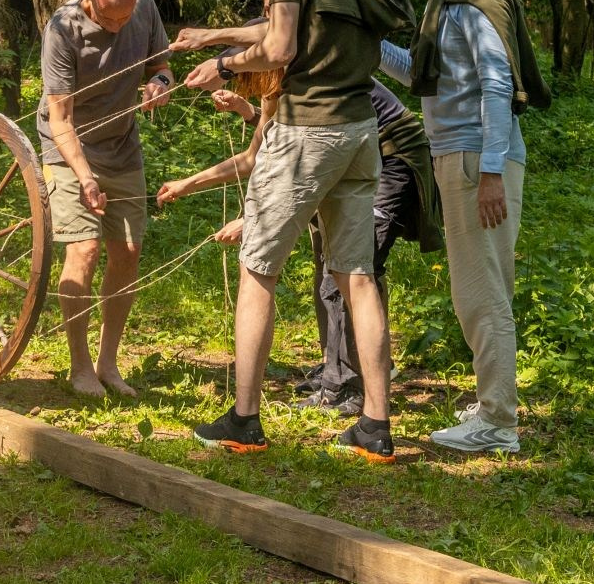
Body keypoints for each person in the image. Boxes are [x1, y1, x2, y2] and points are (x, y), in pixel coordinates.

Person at [175, 0, 412, 462]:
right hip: (361, 129)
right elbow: (307, 30)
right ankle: (375, 426)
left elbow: (280, 46)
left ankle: (244, 420)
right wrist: (217, 35)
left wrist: (222, 66)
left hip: (305, 129)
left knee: (258, 269)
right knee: (357, 276)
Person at [160, 75, 439, 416]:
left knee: (348, 275)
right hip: (348, 159)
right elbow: (254, 159)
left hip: (391, 159)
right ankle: (335, 370)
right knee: (328, 269)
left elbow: (311, 167)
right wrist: (186, 184)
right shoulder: (275, 89)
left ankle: (349, 387)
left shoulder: (304, 83)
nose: (240, 85)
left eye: (242, 73)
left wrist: (253, 221)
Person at [379, 0, 548, 455]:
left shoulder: (474, 0)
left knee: (482, 293)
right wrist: (367, 42)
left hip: (478, 159)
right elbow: (421, 77)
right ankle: (492, 403)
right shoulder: (448, 2)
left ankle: (499, 422)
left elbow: (498, 86)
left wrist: (493, 172)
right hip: (462, 155)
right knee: (477, 287)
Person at [35, 0, 173, 399]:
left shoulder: (144, 8)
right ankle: (79, 367)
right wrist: (85, 177)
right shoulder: (62, 29)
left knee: (129, 250)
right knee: (85, 248)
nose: (118, 26)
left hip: (121, 145)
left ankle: (108, 363)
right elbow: (60, 118)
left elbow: (161, 66)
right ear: (90, 0)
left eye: (125, 17)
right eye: (109, 17)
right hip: (69, 146)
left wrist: (160, 84)